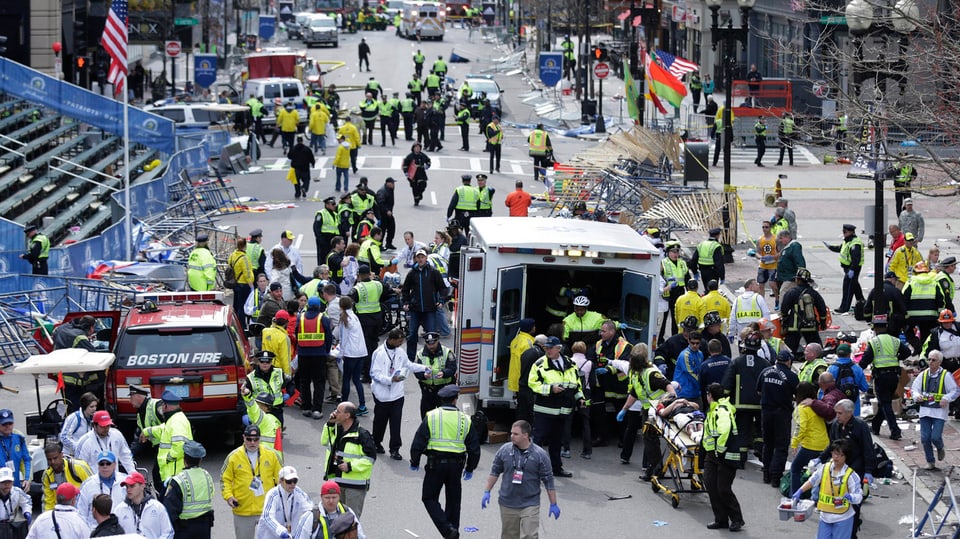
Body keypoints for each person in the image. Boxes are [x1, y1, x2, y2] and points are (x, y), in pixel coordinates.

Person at [409, 385, 481, 539]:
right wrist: (470, 468)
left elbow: (419, 441)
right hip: (457, 466)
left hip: (436, 465)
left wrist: (414, 461)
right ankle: (452, 531)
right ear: (455, 400)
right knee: (454, 502)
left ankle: (447, 529)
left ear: (441, 400)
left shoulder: (432, 416)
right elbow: (474, 447)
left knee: (429, 497)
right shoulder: (465, 419)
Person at [482, 420, 560, 537]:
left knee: (529, 535)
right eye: (511, 433)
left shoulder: (540, 455)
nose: (512, 436)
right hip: (507, 502)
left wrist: (553, 503)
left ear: (526, 435)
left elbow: (548, 480)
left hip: (530, 503)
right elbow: (495, 471)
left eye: (515, 434)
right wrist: (487, 491)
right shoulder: (505, 450)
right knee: (509, 536)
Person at [613, 343, 674, 479]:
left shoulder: (651, 373)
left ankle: (655, 470)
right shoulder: (637, 373)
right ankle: (653, 469)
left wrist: (669, 402)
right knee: (649, 440)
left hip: (657, 410)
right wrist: (625, 409)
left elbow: (668, 386)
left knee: (651, 440)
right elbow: (635, 392)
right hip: (648, 410)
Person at [817, 400, 876, 538]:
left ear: (849, 413)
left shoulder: (860, 426)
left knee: (853, 508)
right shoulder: (836, 425)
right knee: (838, 506)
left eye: (840, 413)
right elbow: (832, 445)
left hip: (855, 470)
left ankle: (852, 533)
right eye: (836, 412)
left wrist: (868, 471)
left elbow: (868, 449)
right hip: (838, 472)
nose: (836, 416)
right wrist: (820, 458)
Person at [527, 336, 584, 478]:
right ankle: (533, 470)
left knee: (556, 442)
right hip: (544, 411)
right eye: (546, 348)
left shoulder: (570, 363)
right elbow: (533, 384)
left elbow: (576, 384)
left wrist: (580, 398)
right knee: (538, 441)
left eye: (550, 348)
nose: (547, 350)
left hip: (562, 411)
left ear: (559, 348)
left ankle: (556, 468)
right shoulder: (539, 364)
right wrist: (550, 389)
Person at [370, 328, 430, 460]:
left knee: (395, 423)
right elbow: (374, 374)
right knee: (380, 422)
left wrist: (424, 367)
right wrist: (390, 380)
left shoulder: (400, 352)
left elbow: (409, 365)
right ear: (391, 339)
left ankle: (395, 449)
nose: (401, 343)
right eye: (399, 340)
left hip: (397, 395)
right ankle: (376, 442)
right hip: (382, 395)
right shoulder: (379, 353)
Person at [221, 425, 282, 539]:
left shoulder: (271, 455)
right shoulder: (233, 456)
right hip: (243, 510)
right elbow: (225, 480)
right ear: (243, 437)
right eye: (249, 439)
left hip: (266, 511)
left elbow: (281, 479)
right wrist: (229, 497)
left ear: (260, 439)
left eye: (256, 439)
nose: (252, 442)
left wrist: (279, 501)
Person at [793, 440, 863, 539]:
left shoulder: (851, 475)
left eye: (840, 455)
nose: (836, 457)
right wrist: (800, 491)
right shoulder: (824, 468)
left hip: (843, 517)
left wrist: (851, 497)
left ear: (846, 457)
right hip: (825, 517)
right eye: (834, 453)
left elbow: (859, 495)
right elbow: (812, 481)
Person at [859, 315, 911, 440]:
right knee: (884, 402)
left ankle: (895, 430)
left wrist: (858, 368)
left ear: (874, 328)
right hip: (894, 376)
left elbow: (865, 361)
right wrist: (896, 358)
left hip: (881, 376)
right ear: (886, 327)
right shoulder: (894, 340)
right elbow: (907, 352)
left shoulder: (874, 342)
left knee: (885, 403)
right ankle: (876, 427)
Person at [701, 382, 744, 531]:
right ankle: (720, 520)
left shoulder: (722, 410)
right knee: (711, 485)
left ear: (710, 395)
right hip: (712, 455)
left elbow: (724, 430)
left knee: (723, 488)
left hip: (726, 455)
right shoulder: (712, 410)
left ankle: (737, 519)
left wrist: (719, 449)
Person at [322, 402, 377, 516]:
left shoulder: (362, 435)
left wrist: (350, 466)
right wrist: (329, 424)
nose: (334, 413)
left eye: (338, 411)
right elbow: (324, 441)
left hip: (355, 486)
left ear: (347, 415)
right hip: (337, 482)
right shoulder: (336, 429)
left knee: (351, 520)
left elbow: (370, 460)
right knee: (337, 518)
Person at [722, 332, 769, 465]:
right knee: (760, 429)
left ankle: (741, 459)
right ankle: (759, 449)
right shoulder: (765, 364)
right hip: (759, 404)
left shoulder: (736, 362)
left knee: (742, 431)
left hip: (740, 404)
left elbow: (727, 384)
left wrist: (724, 398)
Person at [912, 350, 959, 470]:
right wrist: (917, 396)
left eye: (934, 360)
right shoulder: (923, 374)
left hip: (939, 411)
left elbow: (955, 391)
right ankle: (930, 461)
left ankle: (940, 447)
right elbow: (914, 389)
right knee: (925, 438)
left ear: (940, 362)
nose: (930, 362)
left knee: (935, 437)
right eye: (929, 359)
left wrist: (946, 398)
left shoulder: (945, 375)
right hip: (925, 410)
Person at [758, 350, 799, 487]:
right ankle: (776, 477)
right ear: (788, 361)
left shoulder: (765, 372)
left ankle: (766, 474)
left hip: (766, 412)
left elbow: (758, 391)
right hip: (782, 414)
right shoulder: (792, 376)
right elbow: (797, 395)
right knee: (781, 446)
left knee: (768, 443)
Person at [140, 390, 193, 495]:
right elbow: (163, 429)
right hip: (171, 474)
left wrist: (168, 458)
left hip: (174, 475)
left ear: (165, 406)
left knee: (169, 507)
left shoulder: (177, 421)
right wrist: (146, 431)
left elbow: (180, 445)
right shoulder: (174, 419)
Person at [163, 440, 214, 538]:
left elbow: (170, 509)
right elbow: (211, 494)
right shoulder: (207, 475)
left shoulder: (178, 480)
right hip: (204, 528)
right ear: (200, 460)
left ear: (184, 459)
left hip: (184, 529)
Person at [402, 249, 446, 359]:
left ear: (426, 258)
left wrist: (441, 301)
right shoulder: (412, 273)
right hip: (415, 310)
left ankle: (434, 358)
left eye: (422, 257)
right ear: (416, 259)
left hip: (429, 310)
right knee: (412, 335)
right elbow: (405, 289)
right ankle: (410, 360)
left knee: (431, 336)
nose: (420, 259)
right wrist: (406, 302)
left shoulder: (433, 272)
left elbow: (443, 288)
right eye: (418, 257)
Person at [789, 381, 829, 494]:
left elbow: (801, 427)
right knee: (821, 472)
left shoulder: (802, 408)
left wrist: (794, 443)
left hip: (811, 444)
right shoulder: (817, 405)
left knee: (795, 468)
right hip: (824, 443)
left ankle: (795, 496)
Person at [297, 297, 334, 419]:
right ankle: (317, 409)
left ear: (307, 306)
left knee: (304, 381)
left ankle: (306, 407)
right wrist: (327, 350)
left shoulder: (300, 317)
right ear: (319, 306)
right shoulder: (323, 318)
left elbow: (297, 334)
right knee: (319, 382)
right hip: (319, 354)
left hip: (303, 354)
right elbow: (328, 336)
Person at [292, 480, 365, 539]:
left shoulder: (348, 512)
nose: (331, 501)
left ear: (339, 497)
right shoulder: (310, 517)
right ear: (321, 497)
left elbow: (361, 536)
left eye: (334, 497)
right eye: (327, 497)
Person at [114, 471, 174, 539]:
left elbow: (168, 532)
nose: (128, 489)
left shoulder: (157, 507)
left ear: (142, 486)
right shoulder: (119, 510)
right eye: (127, 486)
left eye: (132, 486)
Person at [76, 450, 127, 528]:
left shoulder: (125, 481)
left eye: (108, 463)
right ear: (98, 465)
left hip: (120, 530)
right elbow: (81, 512)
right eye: (101, 463)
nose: (105, 466)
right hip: (95, 532)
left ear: (114, 465)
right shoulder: (88, 484)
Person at [257, 465, 311, 539]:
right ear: (280, 481)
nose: (292, 484)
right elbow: (267, 516)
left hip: (290, 535)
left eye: (295, 481)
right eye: (289, 481)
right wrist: (281, 531)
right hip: (270, 536)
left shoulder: (298, 492)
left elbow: (310, 509)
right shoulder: (272, 495)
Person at [75, 410, 136, 474]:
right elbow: (78, 467)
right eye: (102, 426)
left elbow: (126, 455)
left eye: (108, 425)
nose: (106, 428)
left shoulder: (117, 435)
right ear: (94, 425)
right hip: (94, 482)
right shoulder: (85, 442)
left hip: (115, 481)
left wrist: (133, 474)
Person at [780, 268, 827, 350]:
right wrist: (823, 322)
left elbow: (784, 309)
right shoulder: (813, 293)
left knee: (788, 351)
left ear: (797, 280)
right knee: (816, 350)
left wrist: (785, 320)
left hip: (794, 326)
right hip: (810, 326)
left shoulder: (791, 292)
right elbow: (822, 308)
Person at [903, 261, 946, 352]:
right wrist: (940, 315)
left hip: (912, 316)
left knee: (907, 331)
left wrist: (905, 314)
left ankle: (918, 347)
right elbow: (941, 300)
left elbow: (903, 298)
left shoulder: (911, 282)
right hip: (930, 316)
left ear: (916, 271)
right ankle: (925, 356)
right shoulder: (934, 282)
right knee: (927, 336)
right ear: (927, 271)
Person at [824, 224, 865, 314]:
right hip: (848, 268)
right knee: (855, 286)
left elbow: (856, 260)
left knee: (848, 288)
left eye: (845, 232)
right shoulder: (848, 241)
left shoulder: (855, 244)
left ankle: (844, 307)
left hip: (852, 269)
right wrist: (830, 247)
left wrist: (852, 270)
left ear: (851, 232)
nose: (843, 234)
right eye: (843, 232)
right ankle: (862, 301)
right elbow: (840, 248)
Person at [415, 331, 458, 417]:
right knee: (427, 419)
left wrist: (444, 373)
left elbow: (452, 368)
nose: (431, 346)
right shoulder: (420, 354)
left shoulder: (447, 352)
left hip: (444, 391)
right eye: (429, 344)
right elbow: (416, 371)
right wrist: (423, 376)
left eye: (433, 343)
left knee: (446, 418)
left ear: (437, 341)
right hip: (428, 392)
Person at [40, 441, 92, 512]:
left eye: (55, 458)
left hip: (82, 510)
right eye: (49, 459)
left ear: (61, 455)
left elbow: (93, 488)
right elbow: (49, 502)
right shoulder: (47, 476)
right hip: (61, 513)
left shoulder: (78, 467)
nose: (52, 462)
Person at [660, 242, 692, 337]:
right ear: (668, 252)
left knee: (677, 317)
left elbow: (687, 279)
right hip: (667, 294)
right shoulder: (663, 263)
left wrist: (690, 292)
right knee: (663, 318)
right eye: (673, 252)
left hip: (679, 294)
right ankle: (660, 338)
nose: (675, 254)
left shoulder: (682, 263)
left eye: (677, 252)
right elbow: (659, 278)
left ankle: (675, 337)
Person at [0, 410, 30, 493]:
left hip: (15, 487)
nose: (7, 426)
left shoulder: (19, 439)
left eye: (10, 423)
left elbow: (27, 459)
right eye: (4, 424)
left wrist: (27, 478)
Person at [60, 392, 97, 457]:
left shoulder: (93, 418)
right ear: (84, 406)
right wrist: (78, 446)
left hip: (84, 455)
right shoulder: (74, 418)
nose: (94, 409)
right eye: (91, 407)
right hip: (70, 455)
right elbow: (63, 437)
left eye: (95, 406)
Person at [0, 466, 30, 537]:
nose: (7, 484)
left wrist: (27, 512)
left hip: (11, 524)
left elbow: (27, 502)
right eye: (3, 482)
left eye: (9, 481)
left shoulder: (17, 491)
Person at [375, 178, 397, 249]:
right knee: (382, 230)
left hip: (389, 214)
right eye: (392, 183)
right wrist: (387, 210)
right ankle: (379, 245)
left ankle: (389, 243)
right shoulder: (382, 191)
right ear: (388, 183)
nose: (394, 185)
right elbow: (380, 203)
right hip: (383, 215)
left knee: (392, 228)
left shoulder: (390, 190)